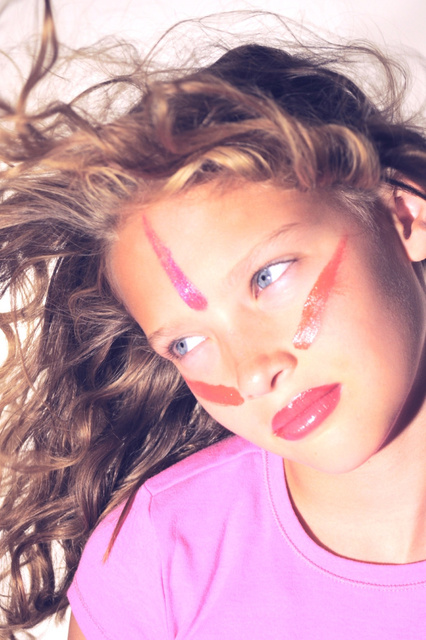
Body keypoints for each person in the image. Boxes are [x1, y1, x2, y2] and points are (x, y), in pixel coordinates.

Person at [0, 1, 425, 638]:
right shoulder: (155, 559)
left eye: (268, 277)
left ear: (403, 214)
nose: (252, 373)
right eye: (187, 342)